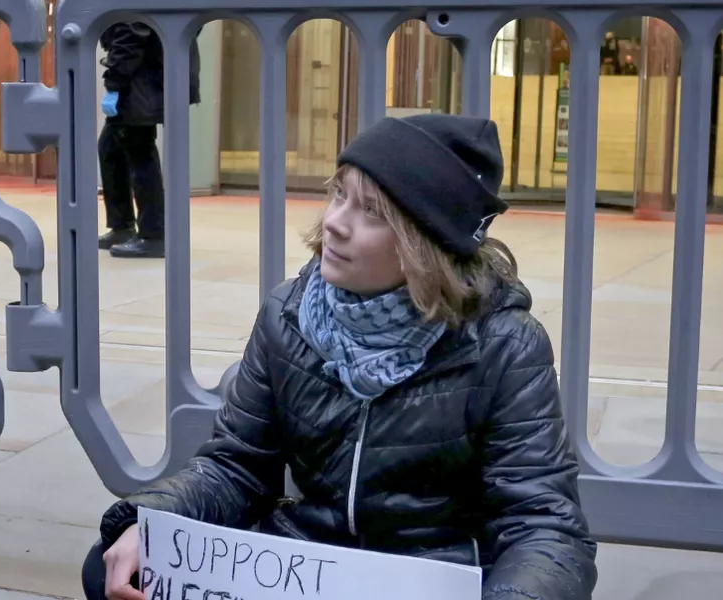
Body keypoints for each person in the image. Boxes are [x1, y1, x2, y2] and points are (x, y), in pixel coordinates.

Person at [81, 114, 599, 600]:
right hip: (304, 568)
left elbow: (542, 526)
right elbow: (235, 467)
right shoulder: (290, 313)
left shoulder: (504, 345)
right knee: (117, 560)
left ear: (426, 242)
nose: (334, 222)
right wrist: (148, 522)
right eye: (339, 195)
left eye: (371, 212)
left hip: (429, 576)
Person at [96, 22, 200, 259]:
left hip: (142, 80)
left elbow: (130, 35)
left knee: (139, 151)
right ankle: (122, 226)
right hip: (149, 76)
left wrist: (114, 83)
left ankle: (153, 235)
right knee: (111, 147)